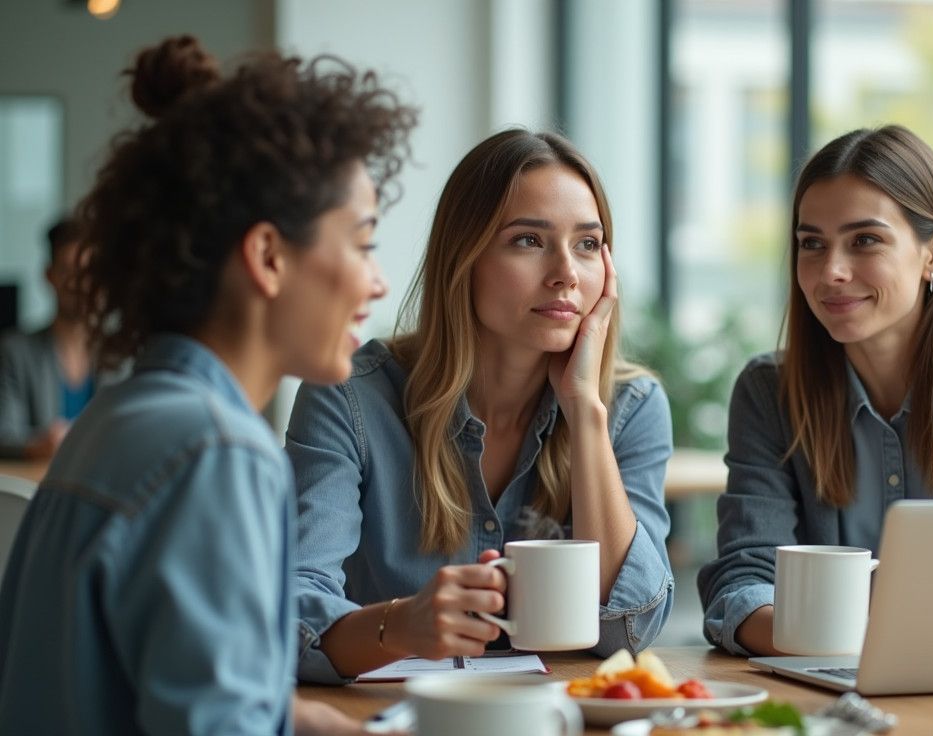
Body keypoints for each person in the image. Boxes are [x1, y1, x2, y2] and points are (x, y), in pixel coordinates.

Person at [0, 36, 416, 735]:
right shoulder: (218, 454)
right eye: (364, 243)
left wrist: (309, 720)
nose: (377, 282)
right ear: (268, 257)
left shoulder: (122, 417)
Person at [287, 129, 675, 683]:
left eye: (588, 244)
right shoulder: (349, 398)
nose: (566, 271)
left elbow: (627, 629)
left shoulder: (631, 407)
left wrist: (585, 413)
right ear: (463, 259)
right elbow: (292, 613)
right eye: (528, 241)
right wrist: (403, 625)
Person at [698, 125, 933, 656]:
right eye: (812, 244)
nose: (831, 271)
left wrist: (826, 629)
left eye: (865, 240)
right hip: (818, 686)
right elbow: (742, 582)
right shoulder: (770, 392)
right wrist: (850, 646)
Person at [0, 217, 102, 459]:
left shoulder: (123, 355)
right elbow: (4, 433)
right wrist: (37, 446)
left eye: (88, 272)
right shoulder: (14, 351)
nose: (79, 284)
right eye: (69, 271)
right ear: (49, 275)